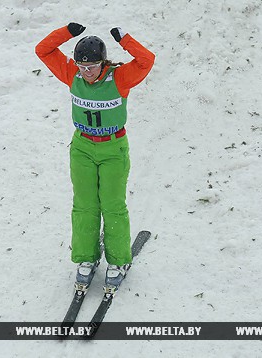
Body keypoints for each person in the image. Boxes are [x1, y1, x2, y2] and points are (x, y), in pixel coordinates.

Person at [35, 23, 155, 290]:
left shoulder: (120, 78)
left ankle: (118, 260)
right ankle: (86, 258)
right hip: (82, 148)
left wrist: (125, 38)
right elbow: (43, 50)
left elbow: (146, 60)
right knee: (85, 205)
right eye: (81, 66)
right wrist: (67, 32)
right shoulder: (72, 75)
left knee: (112, 204)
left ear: (103, 63)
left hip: (113, 148)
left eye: (91, 67)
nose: (86, 72)